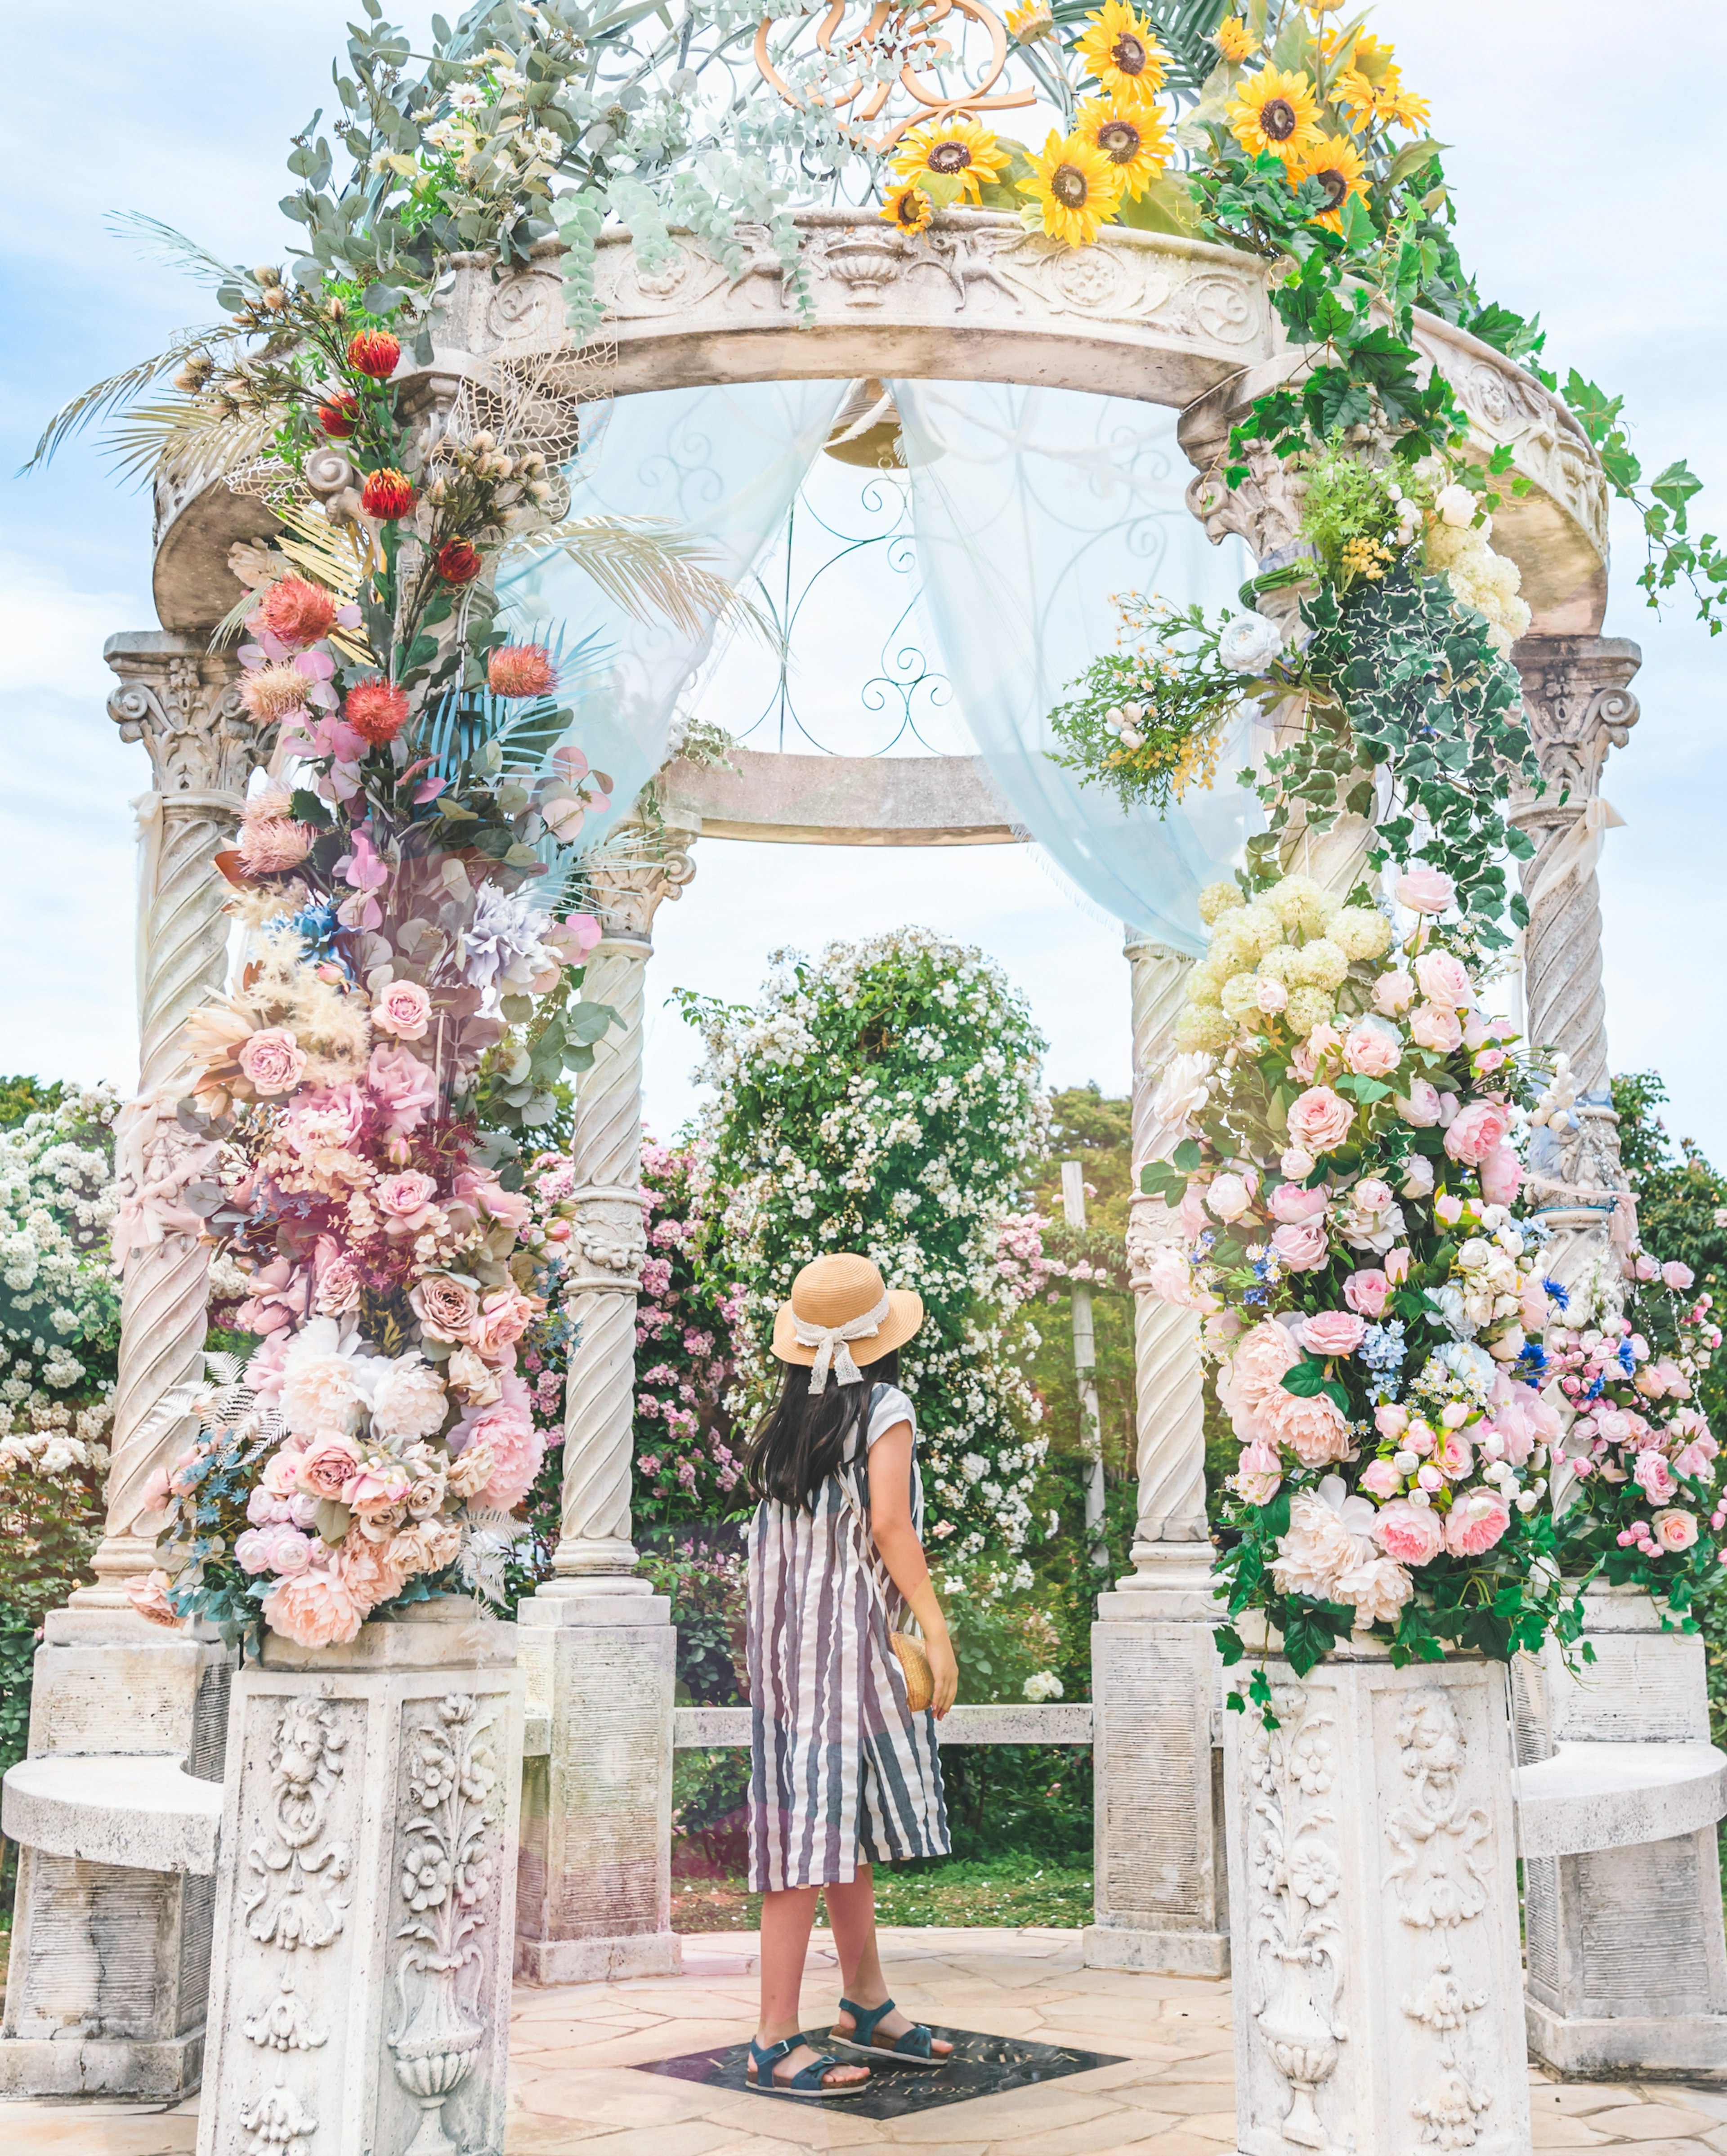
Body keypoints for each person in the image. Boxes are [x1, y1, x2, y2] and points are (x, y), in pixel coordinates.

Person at [742, 1251, 961, 2097]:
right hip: (842, 1648)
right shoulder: (886, 1406)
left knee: (841, 1821)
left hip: (788, 1651)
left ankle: (864, 2003)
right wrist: (935, 1633)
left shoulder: (794, 1418)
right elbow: (891, 1526)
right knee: (809, 1837)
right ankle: (771, 2041)